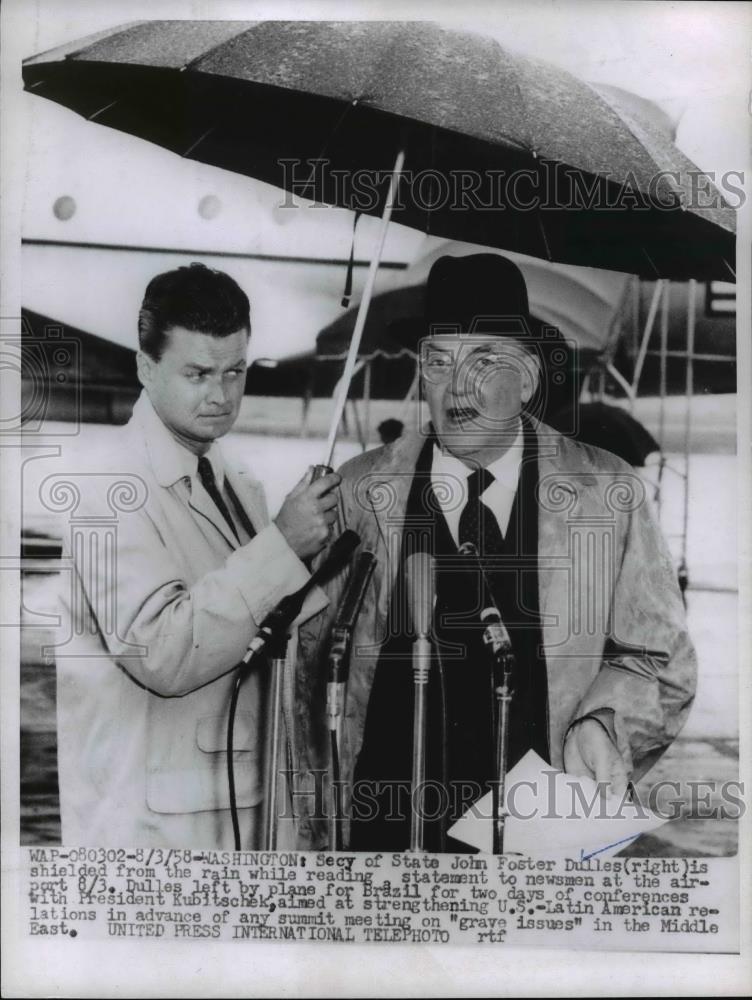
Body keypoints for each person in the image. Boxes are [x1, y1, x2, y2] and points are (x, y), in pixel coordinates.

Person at [294, 254, 696, 852]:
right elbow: (303, 669)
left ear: (528, 379)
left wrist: (605, 723)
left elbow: (657, 658)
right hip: (380, 836)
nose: (457, 385)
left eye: (483, 360)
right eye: (438, 361)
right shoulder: (354, 492)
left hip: (537, 844)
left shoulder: (607, 496)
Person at [56, 263, 340, 847]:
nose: (220, 394)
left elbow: (261, 626)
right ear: (145, 367)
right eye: (198, 373)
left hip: (235, 809)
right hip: (151, 833)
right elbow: (161, 651)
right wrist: (283, 544)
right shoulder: (105, 488)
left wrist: (311, 554)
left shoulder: (236, 478)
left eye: (235, 371)